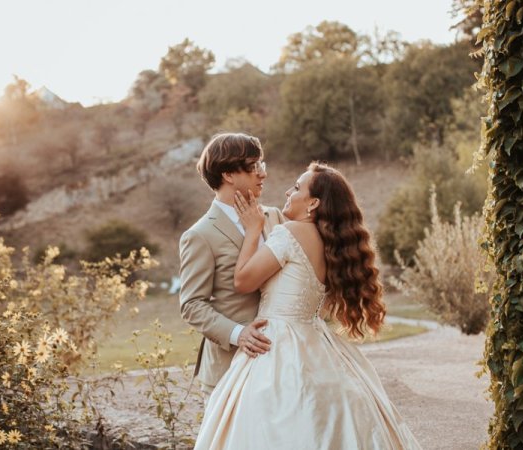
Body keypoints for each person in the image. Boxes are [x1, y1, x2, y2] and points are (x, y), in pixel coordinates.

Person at [194, 162, 421, 449]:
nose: (288, 191)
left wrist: (253, 230)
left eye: (297, 187)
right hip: (315, 339)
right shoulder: (332, 242)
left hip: (279, 342)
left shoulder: (291, 232)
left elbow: (243, 281)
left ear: (313, 203)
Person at [179, 132, 286, 398]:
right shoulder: (200, 235)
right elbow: (192, 305)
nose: (262, 174)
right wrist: (239, 334)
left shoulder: (275, 216)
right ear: (228, 175)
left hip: (282, 360)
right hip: (229, 369)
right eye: (253, 167)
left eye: (262, 165)